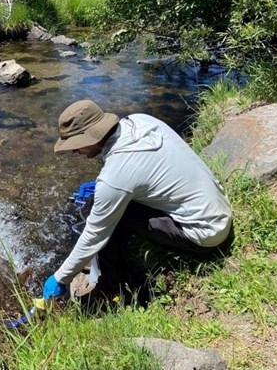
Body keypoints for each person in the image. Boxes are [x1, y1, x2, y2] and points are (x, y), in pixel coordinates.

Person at [42, 99, 233, 301]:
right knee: (107, 203)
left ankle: (109, 289)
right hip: (217, 209)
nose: (74, 151)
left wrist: (61, 278)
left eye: (77, 145)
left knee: (107, 218)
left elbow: (94, 234)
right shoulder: (140, 121)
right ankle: (102, 264)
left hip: (204, 234)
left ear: (92, 138)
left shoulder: (115, 177)